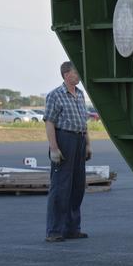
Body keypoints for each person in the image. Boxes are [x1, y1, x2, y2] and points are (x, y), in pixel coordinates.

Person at [44, 61, 91, 243]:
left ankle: (72, 228)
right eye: (76, 72)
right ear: (66, 75)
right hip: (64, 140)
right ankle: (54, 230)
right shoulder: (55, 95)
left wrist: (88, 145)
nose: (79, 76)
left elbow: (83, 124)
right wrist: (54, 148)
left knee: (77, 186)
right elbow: (49, 122)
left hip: (79, 139)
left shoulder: (80, 95)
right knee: (60, 187)